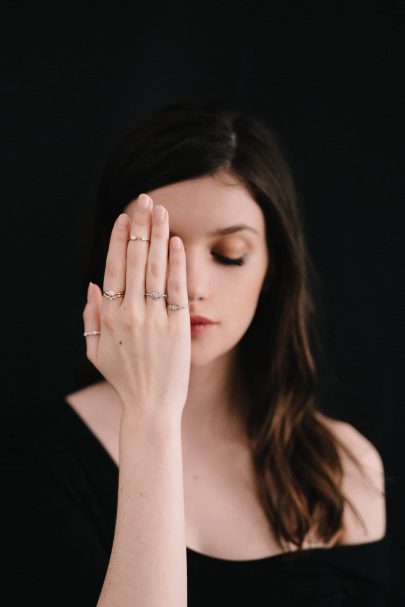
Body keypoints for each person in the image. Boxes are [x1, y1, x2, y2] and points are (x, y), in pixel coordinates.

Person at [1, 99, 388, 606]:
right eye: (162, 250)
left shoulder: (344, 466)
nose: (193, 287)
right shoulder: (34, 465)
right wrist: (150, 415)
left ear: (272, 269)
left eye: (230, 255)